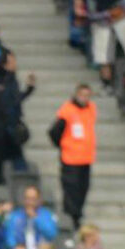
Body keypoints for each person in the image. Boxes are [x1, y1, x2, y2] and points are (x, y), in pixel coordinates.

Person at [49, 84, 96, 228]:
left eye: (87, 95)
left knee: (83, 188)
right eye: (82, 95)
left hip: (86, 158)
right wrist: (64, 145)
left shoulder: (91, 109)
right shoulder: (67, 110)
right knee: (71, 190)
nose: (84, 98)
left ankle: (78, 215)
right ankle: (70, 218)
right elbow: (55, 132)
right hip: (70, 158)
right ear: (76, 94)